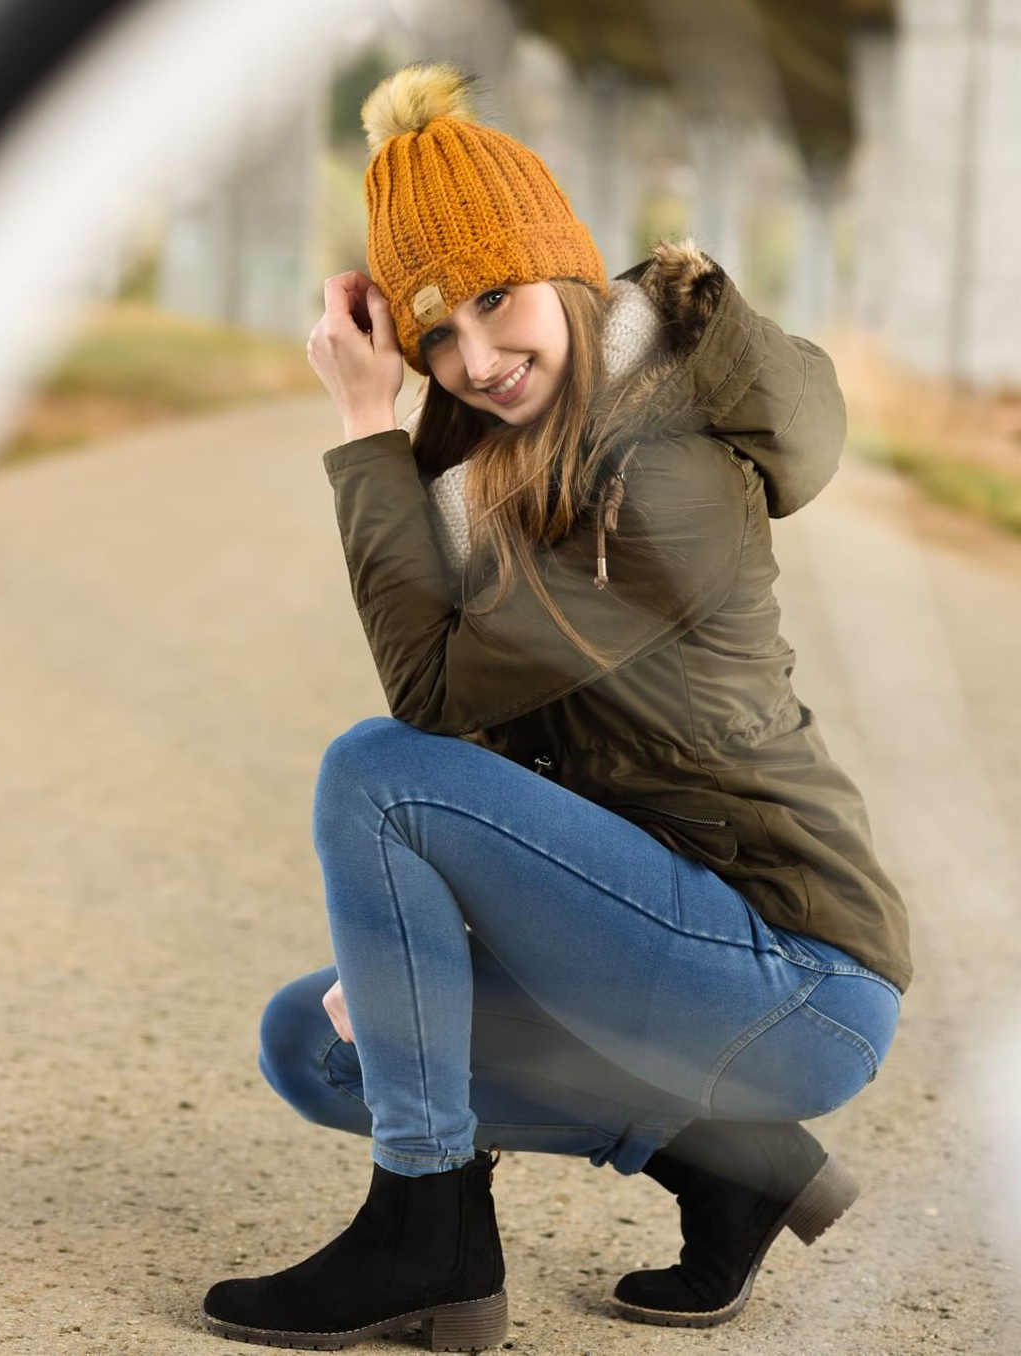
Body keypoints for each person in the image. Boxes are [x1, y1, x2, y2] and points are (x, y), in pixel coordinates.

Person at [199, 60, 911, 1351]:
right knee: (316, 1039)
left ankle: (427, 1232)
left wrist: (369, 425)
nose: (475, 359)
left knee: (378, 770)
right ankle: (727, 1165)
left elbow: (427, 707)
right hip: (667, 940)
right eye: (433, 339)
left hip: (793, 978)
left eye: (496, 301)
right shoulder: (513, 476)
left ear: (566, 269)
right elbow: (529, 786)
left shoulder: (668, 480)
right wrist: (429, 972)